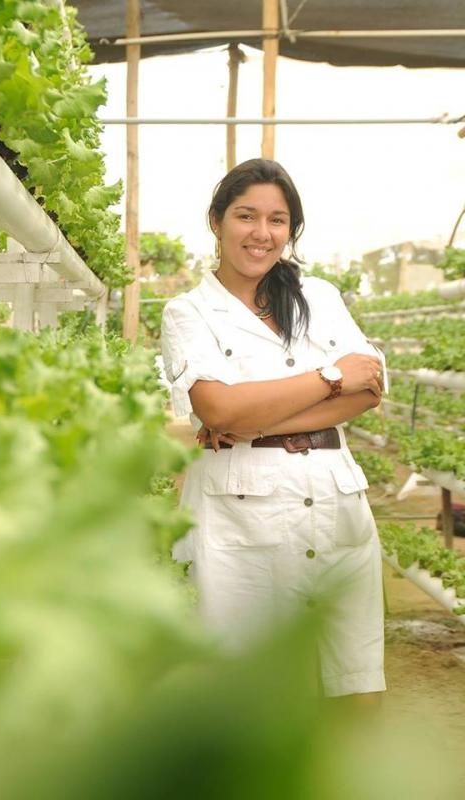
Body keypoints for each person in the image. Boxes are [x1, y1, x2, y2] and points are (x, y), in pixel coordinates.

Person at [160, 158, 387, 700]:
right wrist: (332, 377)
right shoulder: (188, 312)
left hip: (335, 503)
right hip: (239, 515)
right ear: (216, 221)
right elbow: (218, 410)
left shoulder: (319, 296)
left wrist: (249, 415)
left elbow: (372, 387)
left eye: (278, 220)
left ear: (291, 230)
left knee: (355, 683)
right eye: (246, 216)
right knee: (248, 692)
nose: (262, 234)